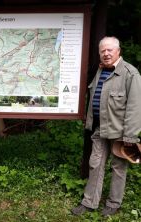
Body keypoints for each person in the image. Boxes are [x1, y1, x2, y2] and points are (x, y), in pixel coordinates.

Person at [72, 36, 141, 217]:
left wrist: (130, 137)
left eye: (110, 50)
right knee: (95, 164)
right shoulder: (99, 70)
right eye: (102, 50)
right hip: (100, 129)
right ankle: (89, 202)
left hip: (120, 133)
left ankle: (113, 204)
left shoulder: (130, 74)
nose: (106, 53)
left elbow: (135, 108)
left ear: (118, 51)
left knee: (118, 168)